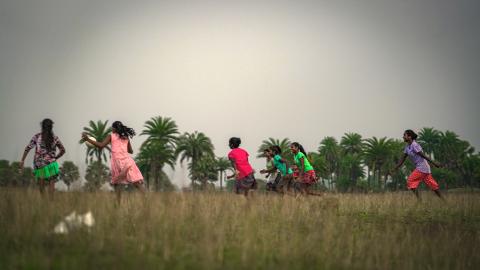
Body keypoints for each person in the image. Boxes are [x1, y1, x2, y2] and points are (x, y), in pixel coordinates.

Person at [82, 121, 144, 203]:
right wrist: (125, 145)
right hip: (127, 162)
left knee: (117, 185)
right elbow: (131, 151)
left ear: (114, 128)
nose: (111, 129)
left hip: (117, 163)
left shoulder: (111, 136)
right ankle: (146, 200)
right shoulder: (125, 137)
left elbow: (101, 145)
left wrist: (88, 139)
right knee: (136, 183)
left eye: (112, 127)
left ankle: (118, 205)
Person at [391, 129, 443, 200]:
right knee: (433, 186)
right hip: (423, 168)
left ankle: (419, 200)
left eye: (404, 135)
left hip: (422, 167)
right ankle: (444, 201)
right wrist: (395, 168)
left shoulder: (414, 145)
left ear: (410, 137)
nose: (403, 137)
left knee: (410, 181)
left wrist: (434, 163)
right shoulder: (407, 147)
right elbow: (402, 159)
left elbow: (423, 155)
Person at [20, 118, 66, 198]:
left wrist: (22, 160)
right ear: (51, 127)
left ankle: (44, 204)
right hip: (52, 164)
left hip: (40, 164)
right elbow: (63, 150)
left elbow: (28, 148)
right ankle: (51, 204)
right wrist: (55, 158)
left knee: (41, 187)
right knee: (52, 184)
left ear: (42, 126)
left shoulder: (37, 137)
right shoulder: (55, 138)